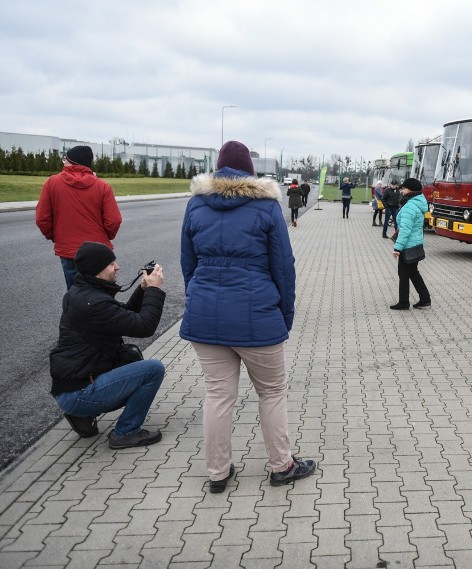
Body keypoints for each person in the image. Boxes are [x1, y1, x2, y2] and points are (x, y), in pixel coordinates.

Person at [180, 140, 317, 493]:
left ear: (218, 169)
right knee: (272, 392)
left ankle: (218, 472)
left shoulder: (196, 205)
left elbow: (187, 263)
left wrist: (197, 298)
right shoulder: (266, 207)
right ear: (250, 172)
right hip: (256, 316)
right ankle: (281, 466)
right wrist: (284, 315)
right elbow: (283, 268)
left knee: (217, 396)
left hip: (205, 317)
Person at [49, 241, 166, 449]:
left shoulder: (83, 294)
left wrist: (142, 289)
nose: (117, 267)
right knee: (152, 370)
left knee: (130, 360)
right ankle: (126, 432)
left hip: (73, 386)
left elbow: (124, 315)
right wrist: (154, 290)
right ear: (96, 270)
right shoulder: (93, 303)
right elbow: (145, 326)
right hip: (78, 392)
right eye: (111, 263)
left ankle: (80, 416)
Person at [36, 145, 123, 289]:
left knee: (75, 292)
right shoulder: (102, 187)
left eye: (65, 159)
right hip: (98, 250)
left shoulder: (52, 183)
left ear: (71, 161)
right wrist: (105, 236)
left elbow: (42, 219)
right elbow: (114, 220)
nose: (63, 162)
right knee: (100, 293)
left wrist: (55, 236)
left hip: (69, 249)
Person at [390, 178, 431, 310]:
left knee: (403, 273)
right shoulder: (418, 202)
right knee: (413, 272)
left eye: (404, 188)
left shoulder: (410, 206)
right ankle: (425, 299)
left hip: (407, 246)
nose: (402, 190)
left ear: (410, 190)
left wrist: (397, 247)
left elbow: (405, 230)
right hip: (416, 243)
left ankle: (403, 302)